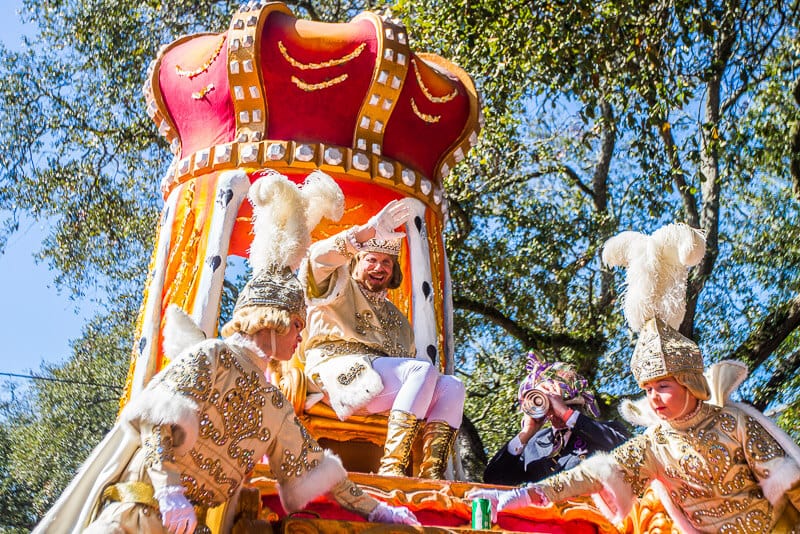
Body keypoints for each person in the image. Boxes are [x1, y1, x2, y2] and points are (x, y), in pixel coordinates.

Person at [34, 171, 418, 533]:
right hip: (133, 519)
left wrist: (381, 510)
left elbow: (317, 470)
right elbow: (156, 422)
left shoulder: (274, 405)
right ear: (276, 320)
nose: (301, 338)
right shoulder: (213, 355)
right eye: (298, 326)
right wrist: (169, 495)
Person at [468, 223, 800, 533]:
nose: (653, 397)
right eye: (648, 388)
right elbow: (590, 475)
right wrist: (519, 496)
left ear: (689, 382)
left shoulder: (734, 422)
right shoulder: (655, 444)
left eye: (663, 386)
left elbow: (793, 486)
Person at [299, 198, 465, 479]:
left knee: (452, 386)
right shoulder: (338, 286)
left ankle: (431, 474)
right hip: (333, 372)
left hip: (377, 386)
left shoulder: (400, 321)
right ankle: (392, 469)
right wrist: (365, 233)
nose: (379, 267)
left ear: (394, 270)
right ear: (356, 262)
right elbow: (315, 260)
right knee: (421, 369)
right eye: (371, 259)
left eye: (386, 262)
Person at [482, 352, 628, 486]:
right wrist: (526, 433)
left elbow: (626, 452)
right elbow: (494, 479)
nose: (552, 411)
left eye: (555, 403)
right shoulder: (534, 444)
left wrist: (567, 414)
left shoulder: (607, 430)